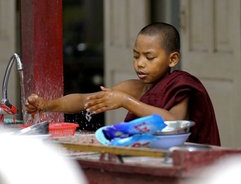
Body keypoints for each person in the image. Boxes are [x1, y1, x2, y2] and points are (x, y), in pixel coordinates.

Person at [25, 22, 220, 146]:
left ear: (173, 59)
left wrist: (126, 101)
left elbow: (172, 123)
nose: (140, 63)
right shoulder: (136, 87)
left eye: (149, 57)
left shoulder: (180, 85)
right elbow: (86, 100)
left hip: (184, 163)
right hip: (148, 158)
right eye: (136, 56)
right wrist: (48, 104)